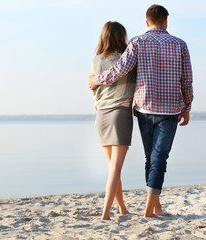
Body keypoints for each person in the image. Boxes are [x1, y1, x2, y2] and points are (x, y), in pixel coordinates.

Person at [89, 5, 193, 218]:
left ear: (147, 22)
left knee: (150, 159)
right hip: (171, 109)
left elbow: (120, 70)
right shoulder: (181, 45)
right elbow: (187, 80)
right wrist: (187, 107)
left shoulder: (137, 42)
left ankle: (149, 207)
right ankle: (149, 208)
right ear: (166, 21)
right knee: (159, 158)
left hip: (143, 108)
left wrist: (95, 80)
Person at [90, 21, 137, 220]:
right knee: (116, 168)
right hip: (120, 113)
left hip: (101, 115)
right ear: (122, 36)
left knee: (112, 168)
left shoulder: (97, 60)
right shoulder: (128, 60)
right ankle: (106, 213)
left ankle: (122, 209)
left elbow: (94, 89)